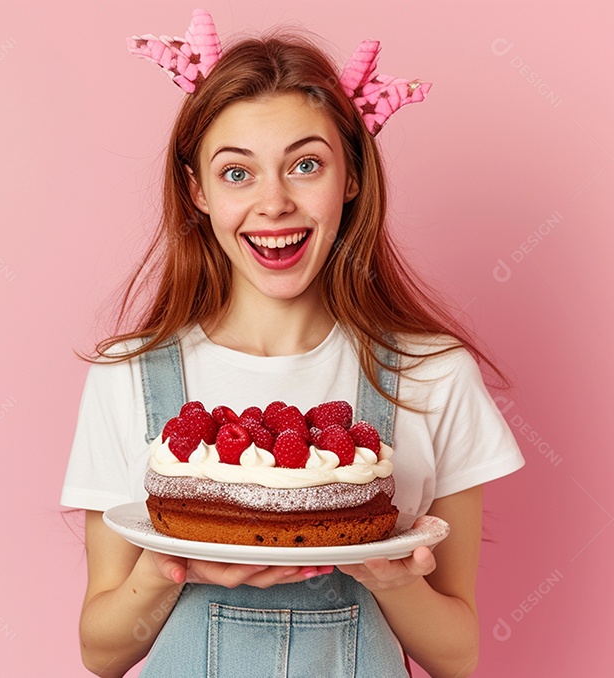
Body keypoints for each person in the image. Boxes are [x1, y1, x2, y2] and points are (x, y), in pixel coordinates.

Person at [59, 10, 526, 678]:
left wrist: (389, 576)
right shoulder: (127, 376)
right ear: (197, 191)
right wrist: (173, 566)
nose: (273, 203)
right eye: (237, 173)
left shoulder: (434, 375)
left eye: (306, 165)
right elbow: (101, 652)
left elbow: (458, 655)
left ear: (353, 177)